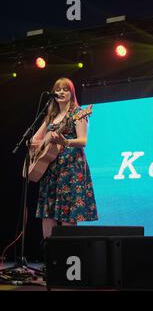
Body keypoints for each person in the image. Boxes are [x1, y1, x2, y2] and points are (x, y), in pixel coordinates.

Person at [30, 77, 98, 239]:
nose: (61, 92)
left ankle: (69, 256)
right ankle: (50, 256)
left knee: (68, 213)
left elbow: (83, 141)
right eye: (58, 89)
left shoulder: (78, 113)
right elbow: (34, 140)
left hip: (71, 167)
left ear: (71, 93)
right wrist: (39, 147)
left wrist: (64, 141)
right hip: (51, 167)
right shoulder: (51, 116)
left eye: (65, 89)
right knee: (48, 213)